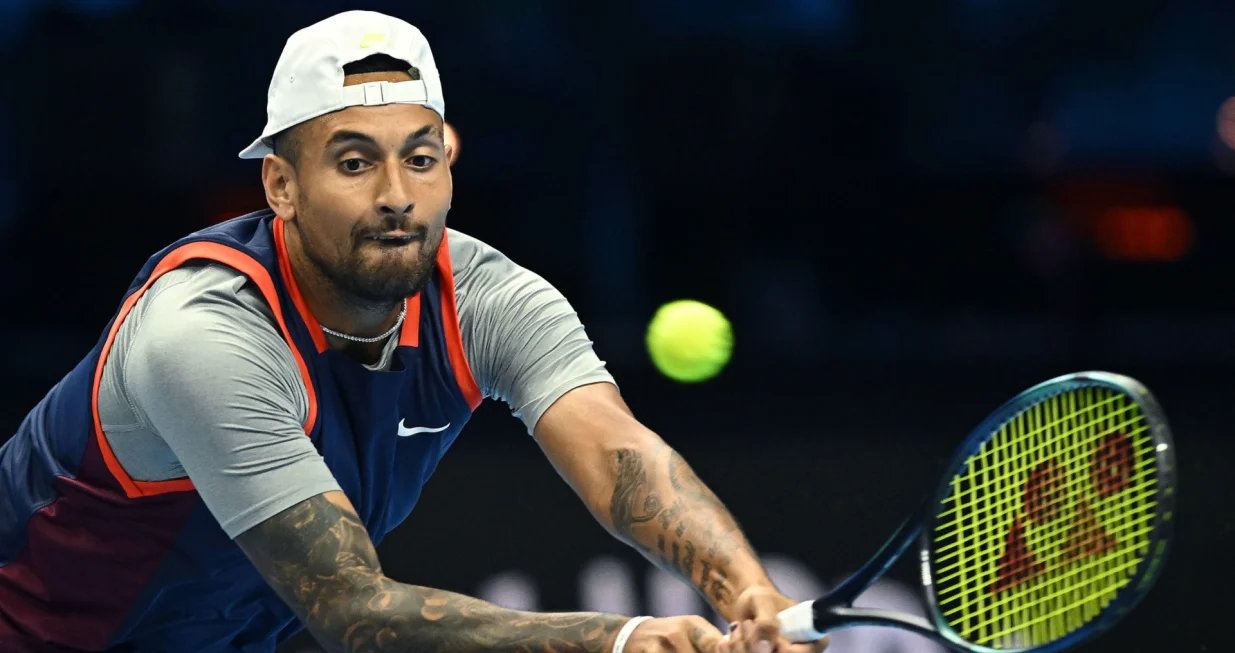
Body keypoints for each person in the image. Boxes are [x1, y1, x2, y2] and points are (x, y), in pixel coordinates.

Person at [0, 11, 826, 653]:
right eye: (354, 162)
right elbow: (353, 610)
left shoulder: (485, 294)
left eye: (421, 158)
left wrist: (743, 588)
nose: (397, 194)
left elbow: (621, 458)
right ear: (281, 185)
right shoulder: (203, 336)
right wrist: (616, 635)